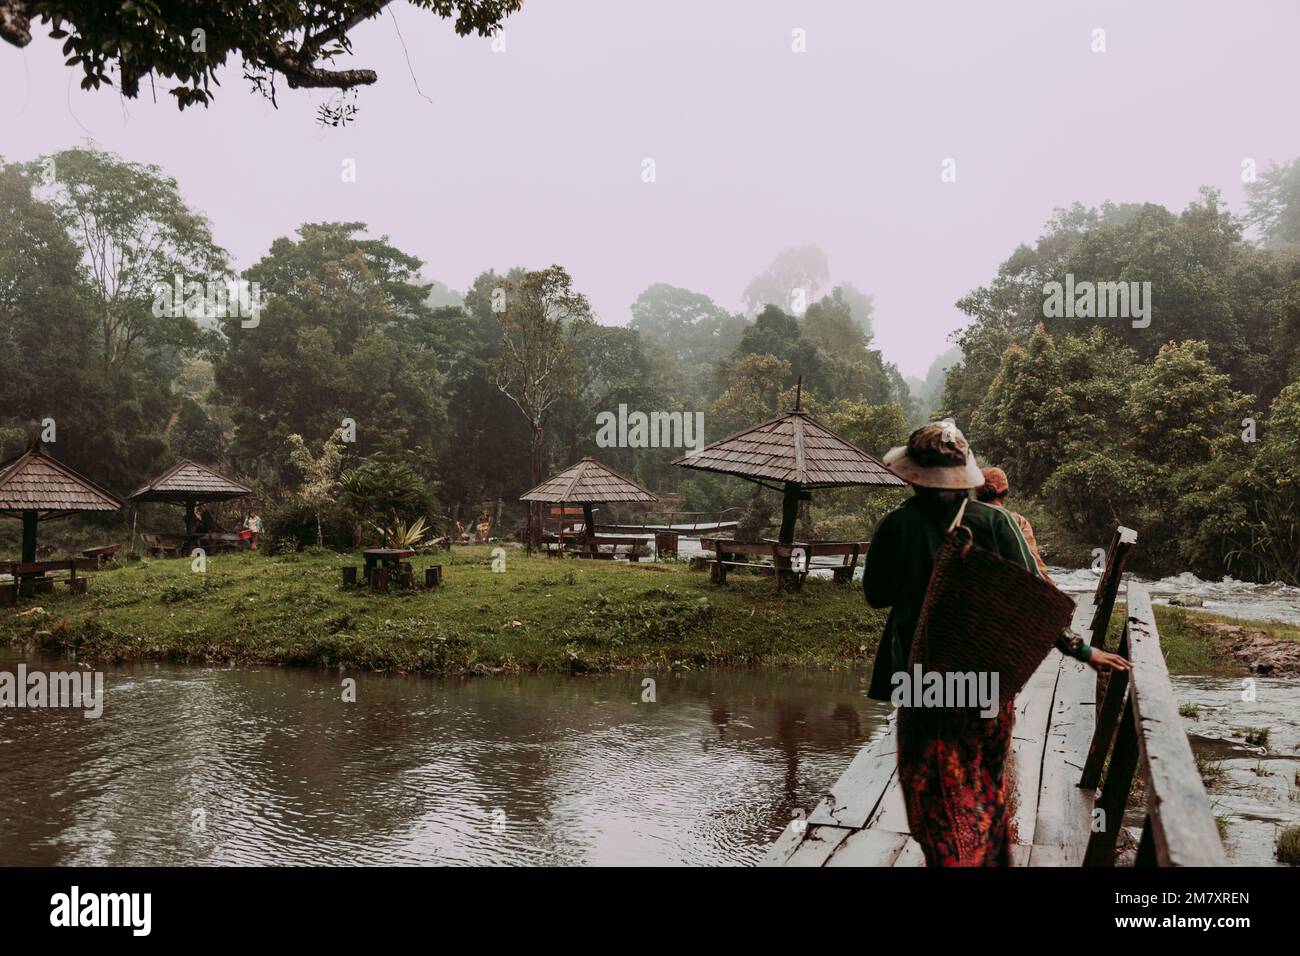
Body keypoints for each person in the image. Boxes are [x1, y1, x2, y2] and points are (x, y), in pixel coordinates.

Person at [863, 423, 1130, 867]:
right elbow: (1037, 599)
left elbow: (877, 596)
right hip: (987, 677)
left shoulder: (896, 525)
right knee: (984, 783)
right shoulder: (999, 522)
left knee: (932, 791)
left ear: (913, 475)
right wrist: (1083, 652)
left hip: (922, 677)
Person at [976, 466, 1051, 583]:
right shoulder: (1018, 522)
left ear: (977, 493)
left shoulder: (962, 518)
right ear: (1005, 492)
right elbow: (1036, 568)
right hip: (1008, 591)